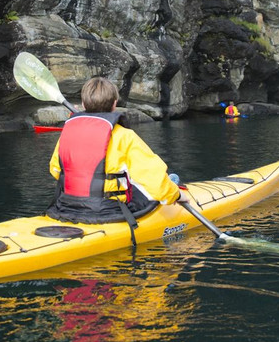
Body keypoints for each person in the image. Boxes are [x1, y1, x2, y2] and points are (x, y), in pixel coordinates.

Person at [48, 77, 181, 236]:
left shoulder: (67, 133)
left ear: (84, 105)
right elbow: (156, 182)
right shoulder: (124, 136)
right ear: (114, 104)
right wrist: (177, 195)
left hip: (66, 207)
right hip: (108, 211)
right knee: (146, 193)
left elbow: (55, 170)